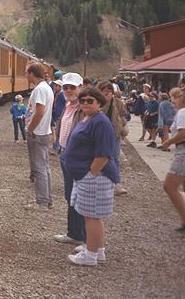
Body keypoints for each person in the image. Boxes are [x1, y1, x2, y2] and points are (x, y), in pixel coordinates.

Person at [63, 87, 120, 266]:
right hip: (87, 175)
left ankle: (90, 255)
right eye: (83, 100)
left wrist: (90, 174)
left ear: (99, 103)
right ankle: (97, 249)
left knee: (92, 216)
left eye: (90, 101)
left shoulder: (101, 122)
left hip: (95, 177)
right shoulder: (89, 118)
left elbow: (104, 154)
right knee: (92, 215)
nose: (86, 103)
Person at [53, 72, 85, 246]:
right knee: (69, 195)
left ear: (80, 87)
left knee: (79, 197)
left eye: (72, 87)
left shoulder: (83, 107)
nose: (68, 90)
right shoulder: (68, 104)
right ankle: (74, 233)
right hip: (65, 153)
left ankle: (82, 236)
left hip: (76, 157)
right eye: (66, 87)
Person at [24, 62, 54, 210]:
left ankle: (41, 201)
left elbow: (40, 112)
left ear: (32, 73)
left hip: (38, 133)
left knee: (39, 167)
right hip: (44, 131)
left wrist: (30, 129)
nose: (25, 75)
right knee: (45, 166)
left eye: (26, 72)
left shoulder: (40, 90)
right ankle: (47, 199)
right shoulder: (46, 88)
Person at [160, 87, 185, 232]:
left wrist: (168, 141)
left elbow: (184, 133)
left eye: (175, 98)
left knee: (169, 186)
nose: (173, 101)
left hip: (184, 150)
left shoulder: (183, 112)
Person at [98, 81, 129, 196]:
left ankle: (117, 184)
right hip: (100, 135)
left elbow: (124, 114)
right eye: (104, 92)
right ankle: (101, 181)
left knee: (115, 158)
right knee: (100, 157)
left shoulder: (118, 102)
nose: (107, 94)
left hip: (115, 133)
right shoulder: (97, 102)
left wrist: (122, 122)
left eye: (109, 91)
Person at [50, 80, 65, 155]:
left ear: (60, 86)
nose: (54, 86)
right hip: (55, 113)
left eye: (56, 85)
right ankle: (57, 147)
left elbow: (65, 104)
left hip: (59, 114)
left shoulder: (62, 94)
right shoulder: (55, 93)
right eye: (54, 85)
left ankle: (56, 148)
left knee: (57, 131)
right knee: (56, 131)